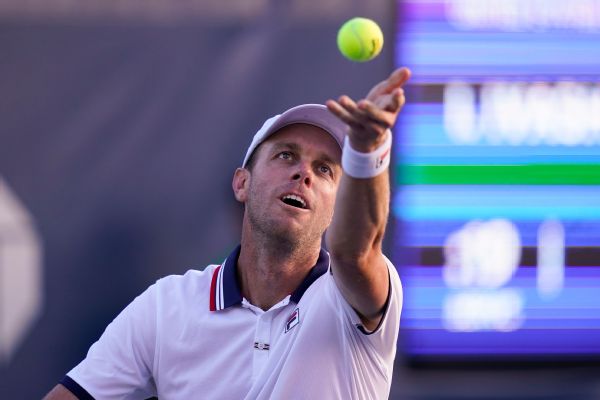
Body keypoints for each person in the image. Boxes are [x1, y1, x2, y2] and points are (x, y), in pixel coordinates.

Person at [44, 67, 411, 400]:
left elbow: (356, 253)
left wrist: (367, 152)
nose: (304, 174)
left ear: (336, 207)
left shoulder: (352, 300)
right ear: (242, 184)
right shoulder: (164, 308)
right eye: (285, 155)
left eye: (326, 169)